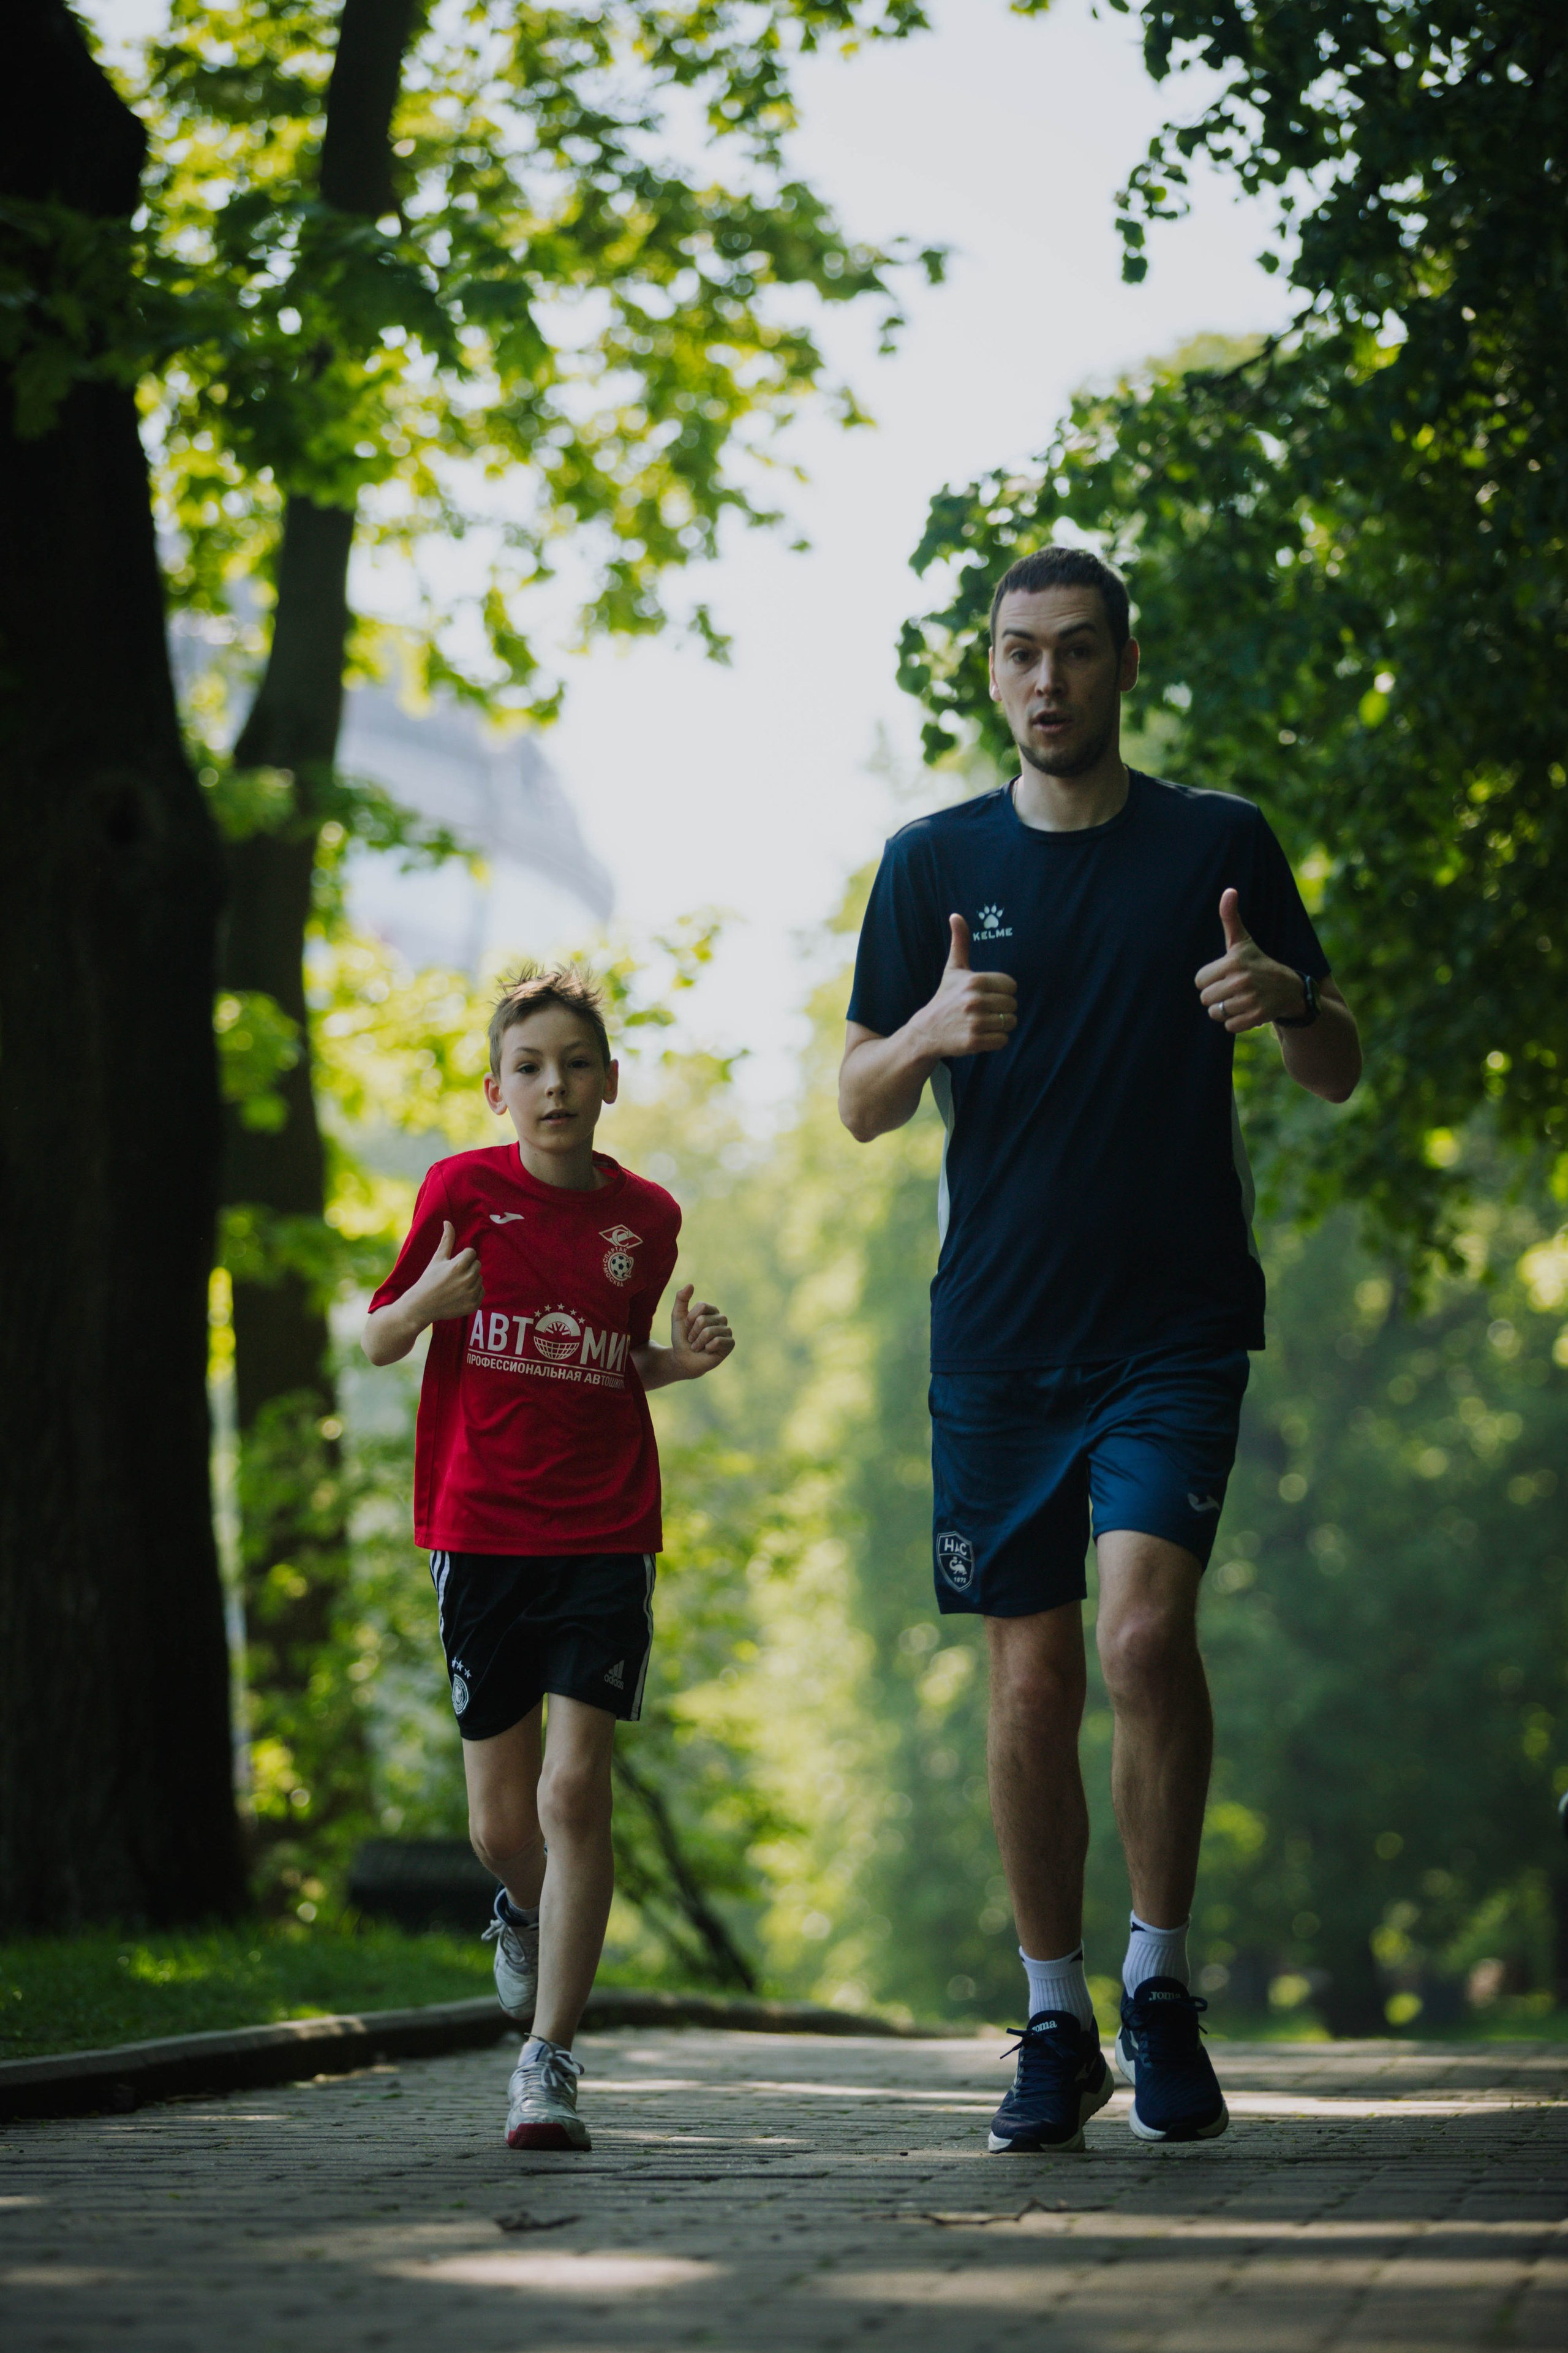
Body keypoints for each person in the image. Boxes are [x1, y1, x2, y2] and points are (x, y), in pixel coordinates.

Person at [839, 545, 1361, 2151]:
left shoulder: (1220, 842)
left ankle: (1160, 1984)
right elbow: (859, 1096)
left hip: (1175, 1325)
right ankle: (1053, 2017)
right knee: (1032, 1673)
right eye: (1019, 654)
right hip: (997, 1337)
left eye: (1075, 651)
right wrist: (924, 1035)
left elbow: (1337, 1063)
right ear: (988, 674)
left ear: (1126, 664)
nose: (1047, 679)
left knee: (1141, 1643)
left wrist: (1282, 996)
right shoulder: (931, 860)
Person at [363, 967, 734, 2151]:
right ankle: (522, 1911)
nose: (554, 1085)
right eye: (529, 1066)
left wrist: (677, 1361)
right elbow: (376, 1337)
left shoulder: (650, 1219)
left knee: (577, 1790)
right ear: (495, 1089)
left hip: (604, 1528)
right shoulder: (460, 1191)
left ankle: (550, 2062)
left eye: (576, 1063)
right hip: (479, 1530)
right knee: (501, 1825)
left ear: (610, 1082)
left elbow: (611, 1358)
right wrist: (427, 1296)